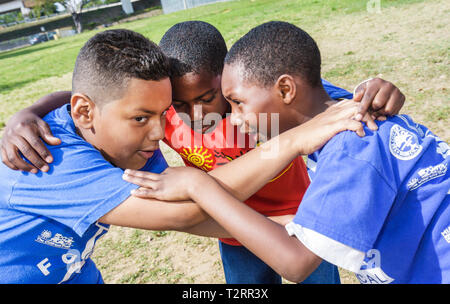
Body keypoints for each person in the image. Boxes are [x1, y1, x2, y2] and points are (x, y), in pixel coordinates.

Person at [1, 22, 406, 284]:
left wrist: (376, 91)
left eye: (209, 98)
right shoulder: (56, 156)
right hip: (242, 236)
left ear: (226, 79)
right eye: (168, 107)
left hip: (299, 228)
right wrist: (27, 112)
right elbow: (184, 214)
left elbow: (319, 103)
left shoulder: (254, 110)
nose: (166, 128)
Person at [121, 21, 450, 284]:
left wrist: (197, 183)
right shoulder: (172, 117)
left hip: (305, 220)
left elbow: (297, 263)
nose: (196, 114)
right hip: (240, 231)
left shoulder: (340, 138)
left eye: (213, 98)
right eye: (179, 104)